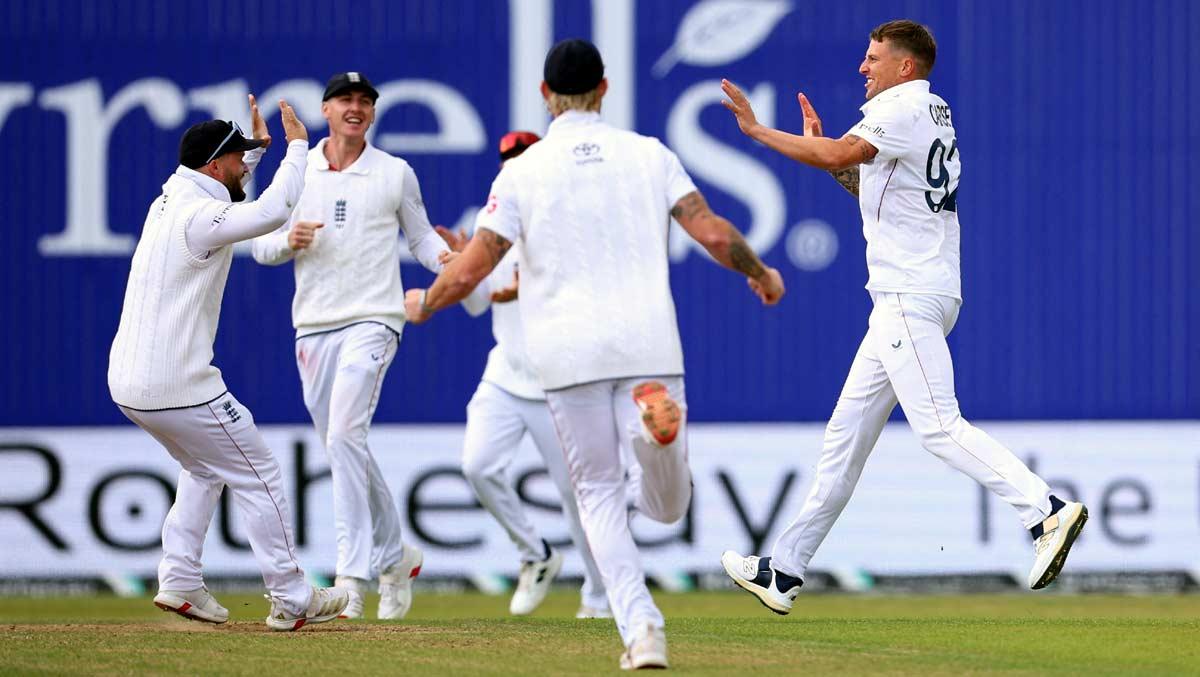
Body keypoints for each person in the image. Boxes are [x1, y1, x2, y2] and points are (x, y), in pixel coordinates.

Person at [403, 39, 785, 670]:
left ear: (546, 96)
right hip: (648, 347)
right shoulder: (649, 154)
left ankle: (642, 633)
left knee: (598, 497)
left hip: (567, 354)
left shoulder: (521, 172)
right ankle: (653, 440)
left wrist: (426, 303)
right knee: (667, 507)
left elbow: (472, 269)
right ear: (604, 88)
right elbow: (713, 230)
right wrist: (762, 271)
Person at [718, 19, 1087, 613]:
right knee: (844, 440)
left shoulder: (905, 106)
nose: (863, 68)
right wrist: (827, 156)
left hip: (908, 297)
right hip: (914, 296)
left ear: (904, 66)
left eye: (873, 58)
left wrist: (759, 131)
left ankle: (1046, 511)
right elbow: (865, 183)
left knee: (939, 427)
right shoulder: (929, 111)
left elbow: (841, 152)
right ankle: (784, 570)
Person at [108, 96, 349, 630]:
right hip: (180, 384)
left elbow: (229, 197)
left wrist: (257, 154)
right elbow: (269, 213)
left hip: (130, 384)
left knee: (203, 466)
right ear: (214, 166)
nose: (243, 164)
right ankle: (291, 597)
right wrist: (298, 148)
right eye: (237, 158)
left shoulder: (168, 202)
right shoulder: (199, 216)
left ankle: (179, 581)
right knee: (258, 472)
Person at [251, 72, 447, 620]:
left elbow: (423, 235)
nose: (355, 108)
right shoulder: (300, 172)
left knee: (343, 435)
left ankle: (350, 580)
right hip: (312, 325)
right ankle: (397, 556)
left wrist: (448, 264)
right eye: (345, 100)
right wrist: (287, 240)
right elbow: (260, 245)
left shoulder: (394, 172)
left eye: (364, 101)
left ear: (372, 113)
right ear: (326, 109)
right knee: (345, 445)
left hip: (374, 321)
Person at [436, 130, 612, 620]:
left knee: (578, 500)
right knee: (477, 465)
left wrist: (515, 288)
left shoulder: (573, 221)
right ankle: (536, 554)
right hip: (506, 375)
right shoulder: (489, 223)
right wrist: (460, 264)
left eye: (524, 158)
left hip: (559, 383)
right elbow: (475, 303)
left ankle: (598, 597)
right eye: (507, 160)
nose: (514, 167)